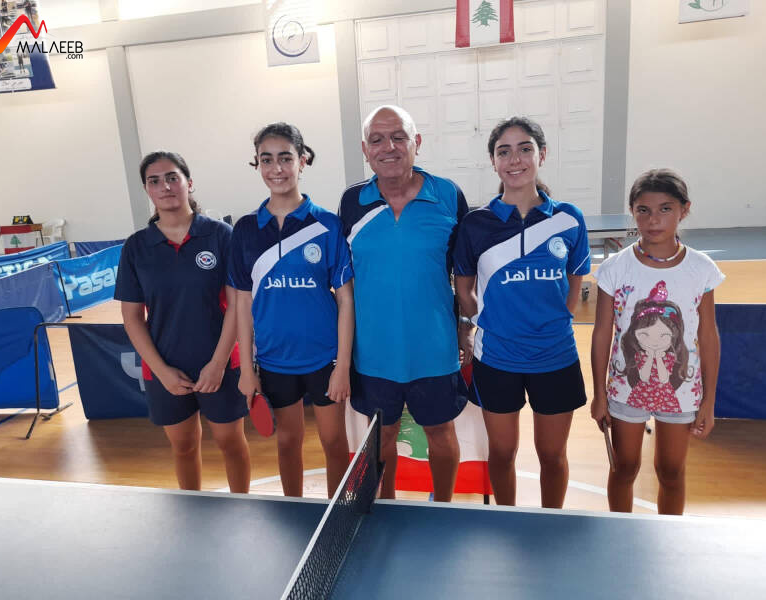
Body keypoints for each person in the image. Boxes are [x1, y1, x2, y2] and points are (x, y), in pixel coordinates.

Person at [453, 116, 590, 508]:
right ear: (493, 162)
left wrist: (553, 323)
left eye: (525, 148)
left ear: (541, 155)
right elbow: (464, 289)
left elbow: (575, 283)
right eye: (504, 151)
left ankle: (551, 520)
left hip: (556, 356)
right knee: (501, 454)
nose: (515, 159)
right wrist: (484, 322)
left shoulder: (568, 218)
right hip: (497, 358)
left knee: (553, 456)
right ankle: (507, 518)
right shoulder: (475, 225)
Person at [339, 105, 470, 502]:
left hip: (434, 347)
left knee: (440, 433)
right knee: (382, 435)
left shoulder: (448, 195)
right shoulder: (352, 202)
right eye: (377, 140)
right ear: (365, 149)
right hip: (374, 351)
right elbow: (344, 281)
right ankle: (388, 507)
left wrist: (465, 327)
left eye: (399, 137)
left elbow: (466, 271)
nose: (389, 147)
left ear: (417, 142)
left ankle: (442, 506)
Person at [229, 123, 353, 498]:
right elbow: (242, 303)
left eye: (285, 158)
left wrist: (343, 366)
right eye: (266, 160)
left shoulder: (327, 224)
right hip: (274, 360)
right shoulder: (246, 230)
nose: (277, 168)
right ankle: (294, 511)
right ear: (257, 165)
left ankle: (336, 516)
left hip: (324, 358)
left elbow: (345, 299)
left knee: (334, 442)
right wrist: (247, 368)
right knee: (287, 441)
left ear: (303, 160)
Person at [115, 151, 250, 493]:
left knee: (231, 442)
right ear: (147, 190)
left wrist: (218, 364)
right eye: (154, 181)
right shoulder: (136, 247)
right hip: (165, 367)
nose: (165, 186)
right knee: (184, 446)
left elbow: (237, 306)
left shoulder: (220, 235)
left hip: (220, 363)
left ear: (189, 183)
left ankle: (244, 509)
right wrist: (161, 371)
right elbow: (132, 318)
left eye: (172, 177)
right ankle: (193, 512)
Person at [590, 168, 723, 515]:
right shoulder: (615, 268)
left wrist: (708, 401)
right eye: (643, 210)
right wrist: (600, 394)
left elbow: (708, 336)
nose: (653, 220)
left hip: (681, 390)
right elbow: (602, 332)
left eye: (665, 209)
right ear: (632, 212)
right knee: (624, 468)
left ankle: (668, 537)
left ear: (684, 210)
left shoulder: (700, 269)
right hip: (625, 388)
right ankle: (619, 533)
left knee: (671, 471)